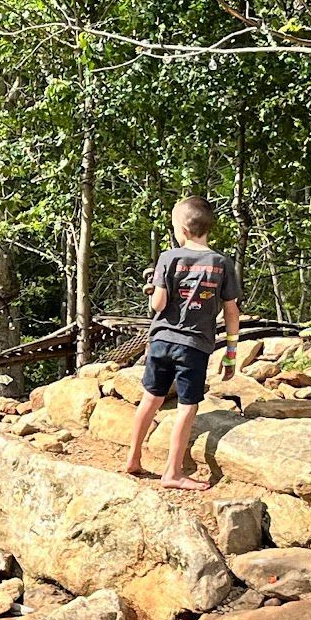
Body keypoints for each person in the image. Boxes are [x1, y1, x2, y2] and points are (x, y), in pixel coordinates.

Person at [124, 195, 242, 491]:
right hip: (195, 346)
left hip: (162, 340)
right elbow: (231, 311)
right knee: (187, 407)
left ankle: (133, 458)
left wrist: (152, 288)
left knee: (151, 398)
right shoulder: (222, 263)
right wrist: (231, 352)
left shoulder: (168, 258)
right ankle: (172, 472)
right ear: (206, 228)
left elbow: (159, 304)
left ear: (183, 231)